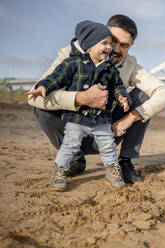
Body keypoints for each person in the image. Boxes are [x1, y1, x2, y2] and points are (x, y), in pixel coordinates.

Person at [28, 15, 165, 184]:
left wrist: (130, 118)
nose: (116, 49)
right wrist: (80, 98)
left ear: (131, 46)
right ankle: (75, 159)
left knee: (144, 95)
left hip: (108, 131)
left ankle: (125, 161)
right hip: (72, 128)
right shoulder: (70, 56)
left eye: (124, 45)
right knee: (42, 104)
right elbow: (34, 97)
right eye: (112, 41)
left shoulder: (130, 66)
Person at [26, 20, 131, 191]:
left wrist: (123, 98)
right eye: (104, 43)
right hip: (77, 118)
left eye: (110, 43)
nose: (109, 47)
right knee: (70, 145)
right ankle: (60, 171)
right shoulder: (73, 63)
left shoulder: (110, 68)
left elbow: (118, 85)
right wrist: (43, 87)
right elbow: (57, 77)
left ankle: (112, 170)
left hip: (101, 118)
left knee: (108, 145)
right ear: (88, 46)